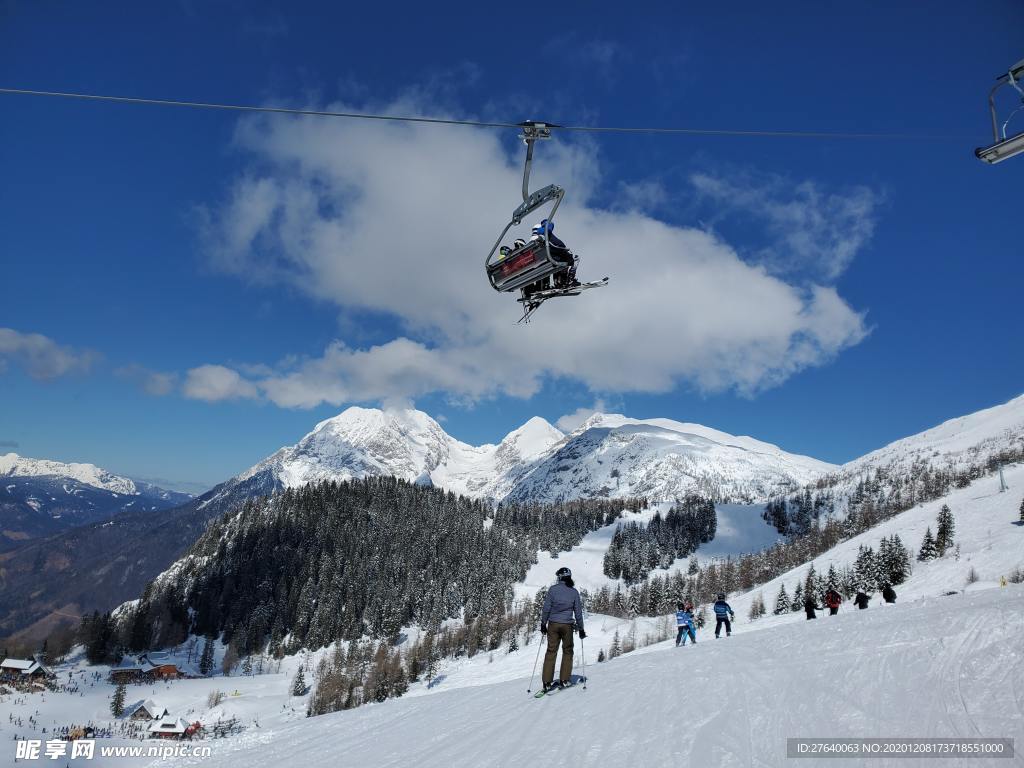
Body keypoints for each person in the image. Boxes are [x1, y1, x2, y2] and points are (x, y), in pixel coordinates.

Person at [540, 566, 585, 692]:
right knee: (568, 651)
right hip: (567, 626)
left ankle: (547, 682)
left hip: (553, 624)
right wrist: (581, 628)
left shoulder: (553, 590)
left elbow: (546, 608)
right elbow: (578, 612)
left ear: (559, 577)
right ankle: (564, 680)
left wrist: (543, 624)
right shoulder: (574, 592)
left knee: (551, 651)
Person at [531, 219, 580, 288]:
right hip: (553, 258)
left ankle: (559, 281)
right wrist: (548, 223)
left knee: (563, 259)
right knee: (574, 259)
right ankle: (569, 280)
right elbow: (549, 229)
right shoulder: (544, 232)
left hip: (549, 259)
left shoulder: (535, 241)